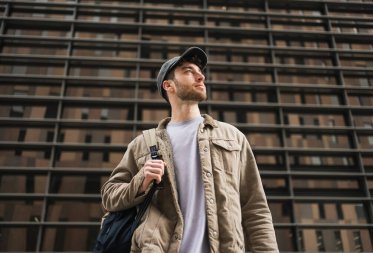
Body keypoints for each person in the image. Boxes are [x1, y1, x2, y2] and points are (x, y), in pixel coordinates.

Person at [101, 47, 279, 253]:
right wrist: (141, 181)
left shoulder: (232, 137)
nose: (200, 76)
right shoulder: (142, 143)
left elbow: (255, 208)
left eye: (200, 71)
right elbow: (109, 196)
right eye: (188, 71)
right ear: (168, 85)